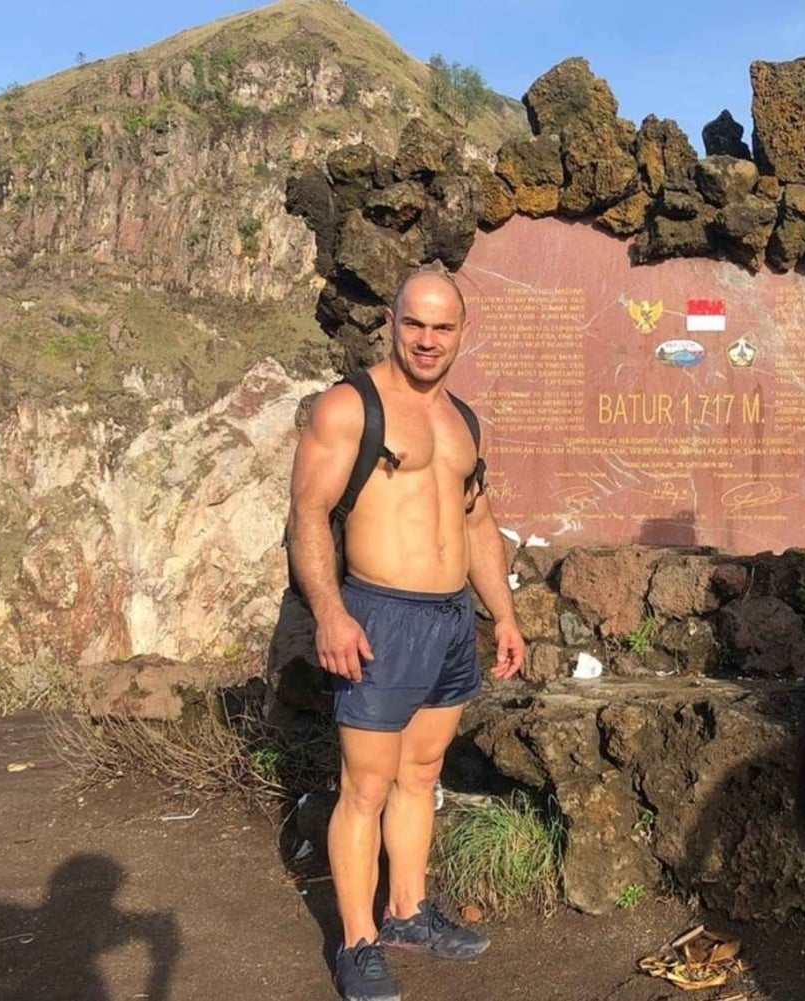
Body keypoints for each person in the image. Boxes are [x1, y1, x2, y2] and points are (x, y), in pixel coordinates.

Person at [286, 268, 525, 1001]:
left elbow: (476, 521)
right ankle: (357, 941)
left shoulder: (463, 421)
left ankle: (408, 911)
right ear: (393, 321)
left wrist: (504, 614)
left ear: (461, 333)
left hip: (450, 619)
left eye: (442, 327)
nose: (427, 339)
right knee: (364, 786)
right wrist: (331, 612)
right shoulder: (350, 406)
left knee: (421, 776)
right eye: (415, 323)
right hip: (379, 615)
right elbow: (307, 513)